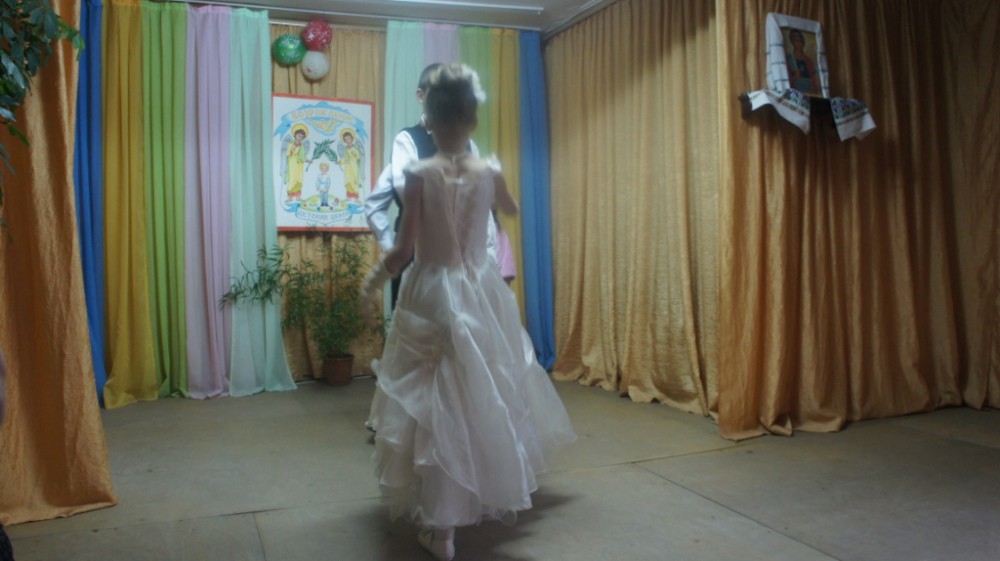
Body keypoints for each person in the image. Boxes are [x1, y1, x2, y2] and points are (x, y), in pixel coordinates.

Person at [359, 63, 575, 561]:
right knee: (480, 391)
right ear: (473, 120)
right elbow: (510, 209)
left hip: (431, 288)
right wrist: (493, 187)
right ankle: (474, 493)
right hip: (480, 288)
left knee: (433, 400)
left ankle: (442, 529)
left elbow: (403, 249)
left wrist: (372, 284)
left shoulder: (418, 175)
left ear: (430, 121)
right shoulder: (488, 169)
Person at [364, 62, 498, 309]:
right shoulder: (407, 140)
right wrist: (394, 247)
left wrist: (490, 253)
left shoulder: (470, 146)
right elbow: (407, 194)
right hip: (420, 258)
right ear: (421, 96)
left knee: (465, 323)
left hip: (465, 260)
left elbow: (481, 206)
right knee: (418, 322)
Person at [786, 28, 820, 95]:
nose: (799, 43)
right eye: (796, 40)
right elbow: (785, 85)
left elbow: (815, 82)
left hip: (810, 94)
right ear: (792, 42)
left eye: (800, 40)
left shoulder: (809, 62)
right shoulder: (789, 60)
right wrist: (795, 77)